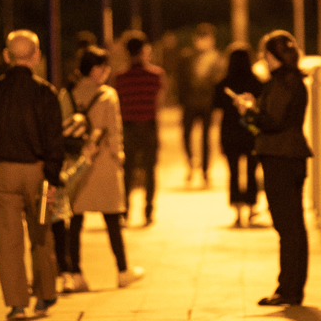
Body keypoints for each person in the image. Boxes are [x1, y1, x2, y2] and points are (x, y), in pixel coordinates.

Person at [0, 30, 64, 321]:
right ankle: (45, 295)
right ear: (36, 56)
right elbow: (54, 139)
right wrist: (52, 174)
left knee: (8, 239)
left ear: (6, 56)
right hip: (37, 172)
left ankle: (16, 303)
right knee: (41, 234)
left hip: (3, 172)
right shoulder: (45, 93)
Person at [232, 30, 313, 306]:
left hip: (281, 157)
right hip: (291, 155)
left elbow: (272, 120)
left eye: (264, 55)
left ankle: (288, 289)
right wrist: (254, 111)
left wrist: (248, 111)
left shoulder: (282, 82)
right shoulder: (294, 80)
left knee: (287, 225)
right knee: (294, 225)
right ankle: (291, 287)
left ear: (270, 56)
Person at [61, 45, 145, 289]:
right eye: (105, 67)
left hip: (77, 164)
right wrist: (119, 156)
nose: (107, 72)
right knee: (112, 220)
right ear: (96, 70)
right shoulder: (108, 95)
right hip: (103, 163)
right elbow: (115, 129)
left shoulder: (70, 92)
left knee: (75, 222)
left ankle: (75, 273)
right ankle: (122, 270)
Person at [113, 31, 166, 227]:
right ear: (144, 50)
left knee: (127, 171)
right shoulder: (156, 75)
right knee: (150, 170)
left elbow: (118, 105)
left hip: (128, 128)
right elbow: (159, 103)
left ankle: (125, 211)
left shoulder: (120, 77)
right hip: (149, 126)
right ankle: (148, 211)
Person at [212, 43, 264, 227]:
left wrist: (218, 139)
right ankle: (250, 209)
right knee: (251, 172)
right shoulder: (257, 83)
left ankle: (237, 213)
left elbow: (217, 113)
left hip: (230, 132)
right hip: (251, 133)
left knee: (233, 173)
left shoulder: (222, 84)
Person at [177, 23, 223, 186]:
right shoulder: (187, 56)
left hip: (207, 103)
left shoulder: (217, 58)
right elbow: (180, 80)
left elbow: (219, 83)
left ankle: (204, 170)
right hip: (189, 102)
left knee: (206, 139)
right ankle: (191, 164)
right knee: (186, 135)